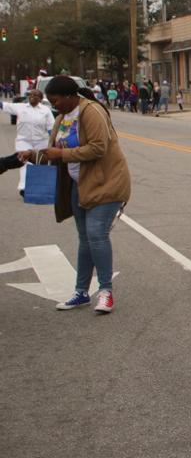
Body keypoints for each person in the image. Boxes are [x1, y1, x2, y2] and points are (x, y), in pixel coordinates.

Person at [19, 76, 131, 314]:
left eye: (55, 100)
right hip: (77, 186)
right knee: (85, 239)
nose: (53, 105)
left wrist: (61, 155)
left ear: (70, 97)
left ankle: (105, 292)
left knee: (96, 234)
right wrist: (33, 154)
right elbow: (55, 151)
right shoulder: (61, 118)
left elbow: (98, 148)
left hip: (106, 183)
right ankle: (81, 292)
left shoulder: (91, 112)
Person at [0, 89, 55, 195]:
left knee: (38, 164)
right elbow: (4, 105)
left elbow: (51, 128)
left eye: (36, 95)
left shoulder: (46, 110)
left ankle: (39, 187)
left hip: (41, 142)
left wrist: (53, 142)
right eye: (31, 94)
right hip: (23, 141)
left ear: (40, 98)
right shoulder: (20, 107)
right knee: (24, 163)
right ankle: (24, 188)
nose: (32, 96)